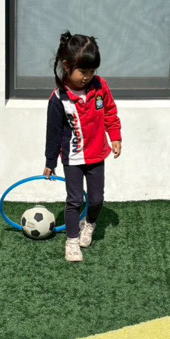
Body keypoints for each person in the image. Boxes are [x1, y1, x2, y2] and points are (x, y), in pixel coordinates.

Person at [43, 32, 122, 262]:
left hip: (97, 154)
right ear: (67, 66)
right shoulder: (59, 99)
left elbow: (110, 111)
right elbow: (53, 134)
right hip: (73, 158)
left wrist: (115, 136)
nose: (88, 77)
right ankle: (72, 241)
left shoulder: (100, 86)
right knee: (74, 200)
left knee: (96, 199)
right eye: (83, 71)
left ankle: (89, 224)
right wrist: (50, 161)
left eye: (92, 71)